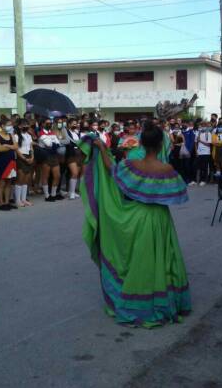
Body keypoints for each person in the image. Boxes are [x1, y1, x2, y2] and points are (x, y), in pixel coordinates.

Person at [78, 121, 191, 327]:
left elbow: (111, 169)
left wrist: (103, 148)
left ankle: (136, 300)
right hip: (160, 219)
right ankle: (161, 301)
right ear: (160, 145)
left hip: (136, 216)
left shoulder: (131, 165)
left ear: (141, 143)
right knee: (161, 260)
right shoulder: (167, 168)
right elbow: (180, 195)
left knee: (138, 258)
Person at [0, 119, 18, 211]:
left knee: (9, 182)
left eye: (11, 125)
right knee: (2, 182)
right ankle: (1, 202)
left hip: (11, 161)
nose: (10, 126)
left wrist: (7, 146)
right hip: (1, 161)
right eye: (8, 125)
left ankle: (7, 202)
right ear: (2, 126)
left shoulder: (11, 135)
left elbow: (16, 146)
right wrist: (10, 147)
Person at [38, 119, 62, 202]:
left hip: (54, 155)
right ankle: (47, 195)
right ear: (43, 124)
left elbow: (58, 144)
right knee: (46, 176)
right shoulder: (41, 133)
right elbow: (49, 144)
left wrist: (53, 144)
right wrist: (54, 143)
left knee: (57, 176)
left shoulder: (52, 133)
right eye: (47, 123)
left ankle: (53, 194)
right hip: (46, 156)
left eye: (50, 123)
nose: (49, 124)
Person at [15, 119, 34, 207]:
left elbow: (31, 147)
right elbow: (17, 149)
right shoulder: (16, 136)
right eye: (24, 125)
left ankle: (23, 199)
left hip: (28, 156)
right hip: (21, 158)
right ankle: (18, 200)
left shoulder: (28, 135)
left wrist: (32, 157)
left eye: (27, 124)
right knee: (20, 179)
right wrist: (23, 158)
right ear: (19, 126)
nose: (26, 126)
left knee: (26, 179)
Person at [65, 117, 82, 200]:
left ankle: (72, 191)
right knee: (74, 173)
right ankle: (71, 192)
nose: (75, 125)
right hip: (71, 154)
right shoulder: (66, 132)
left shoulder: (77, 133)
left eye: (76, 124)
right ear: (69, 124)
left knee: (76, 174)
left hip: (78, 154)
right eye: (73, 124)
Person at [196, 121, 212, 186]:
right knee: (199, 167)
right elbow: (196, 142)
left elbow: (209, 144)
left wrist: (201, 141)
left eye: (204, 125)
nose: (203, 127)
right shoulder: (198, 133)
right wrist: (196, 151)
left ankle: (204, 180)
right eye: (202, 125)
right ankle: (199, 179)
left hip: (206, 152)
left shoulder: (209, 133)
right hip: (199, 152)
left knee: (205, 167)